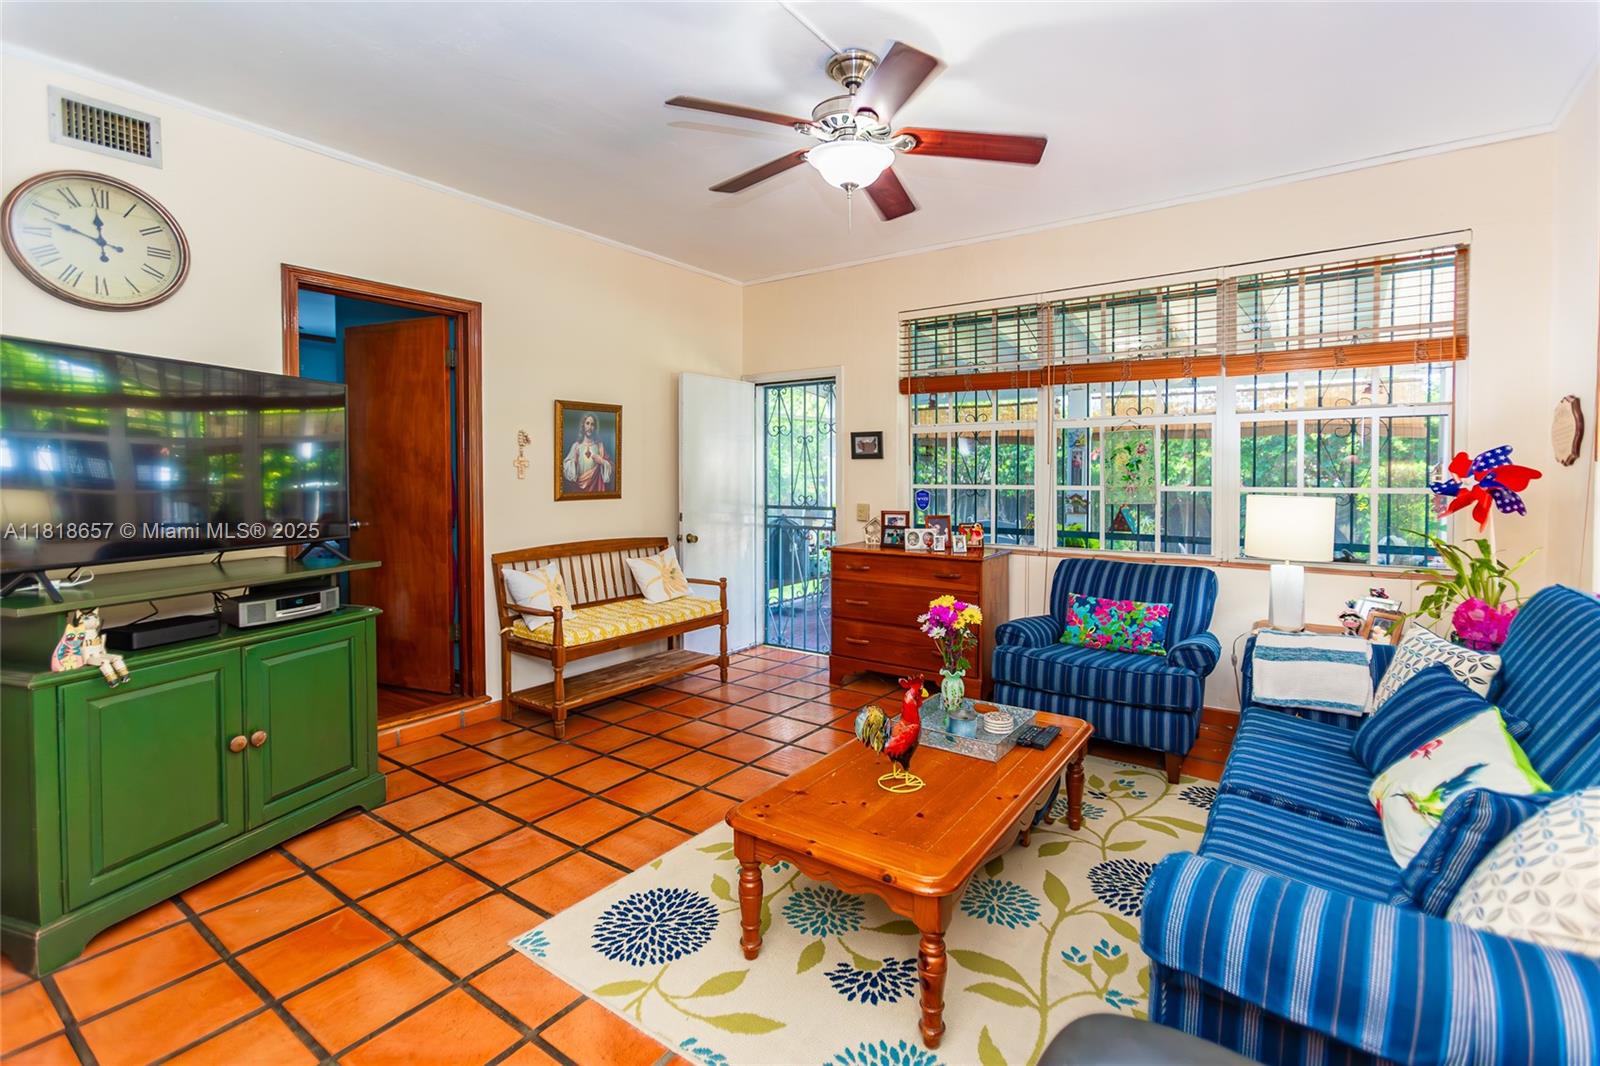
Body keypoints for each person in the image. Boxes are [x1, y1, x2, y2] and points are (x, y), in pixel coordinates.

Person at [561, 413, 613, 492]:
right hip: (577, 489)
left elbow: (612, 467)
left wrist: (602, 461)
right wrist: (574, 461)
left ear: (595, 427)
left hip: (595, 487)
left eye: (592, 424)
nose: (589, 427)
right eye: (587, 423)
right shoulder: (576, 446)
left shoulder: (599, 446)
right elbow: (565, 467)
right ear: (583, 425)